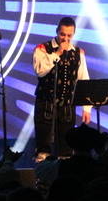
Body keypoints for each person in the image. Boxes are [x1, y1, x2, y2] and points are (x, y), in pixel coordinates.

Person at [32, 17, 91, 161]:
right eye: (62, 34)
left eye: (69, 35)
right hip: (46, 105)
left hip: (67, 107)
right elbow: (40, 71)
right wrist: (57, 53)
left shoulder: (78, 53)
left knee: (66, 149)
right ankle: (43, 173)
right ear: (57, 31)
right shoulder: (42, 49)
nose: (65, 38)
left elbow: (83, 79)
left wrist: (86, 108)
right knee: (44, 149)